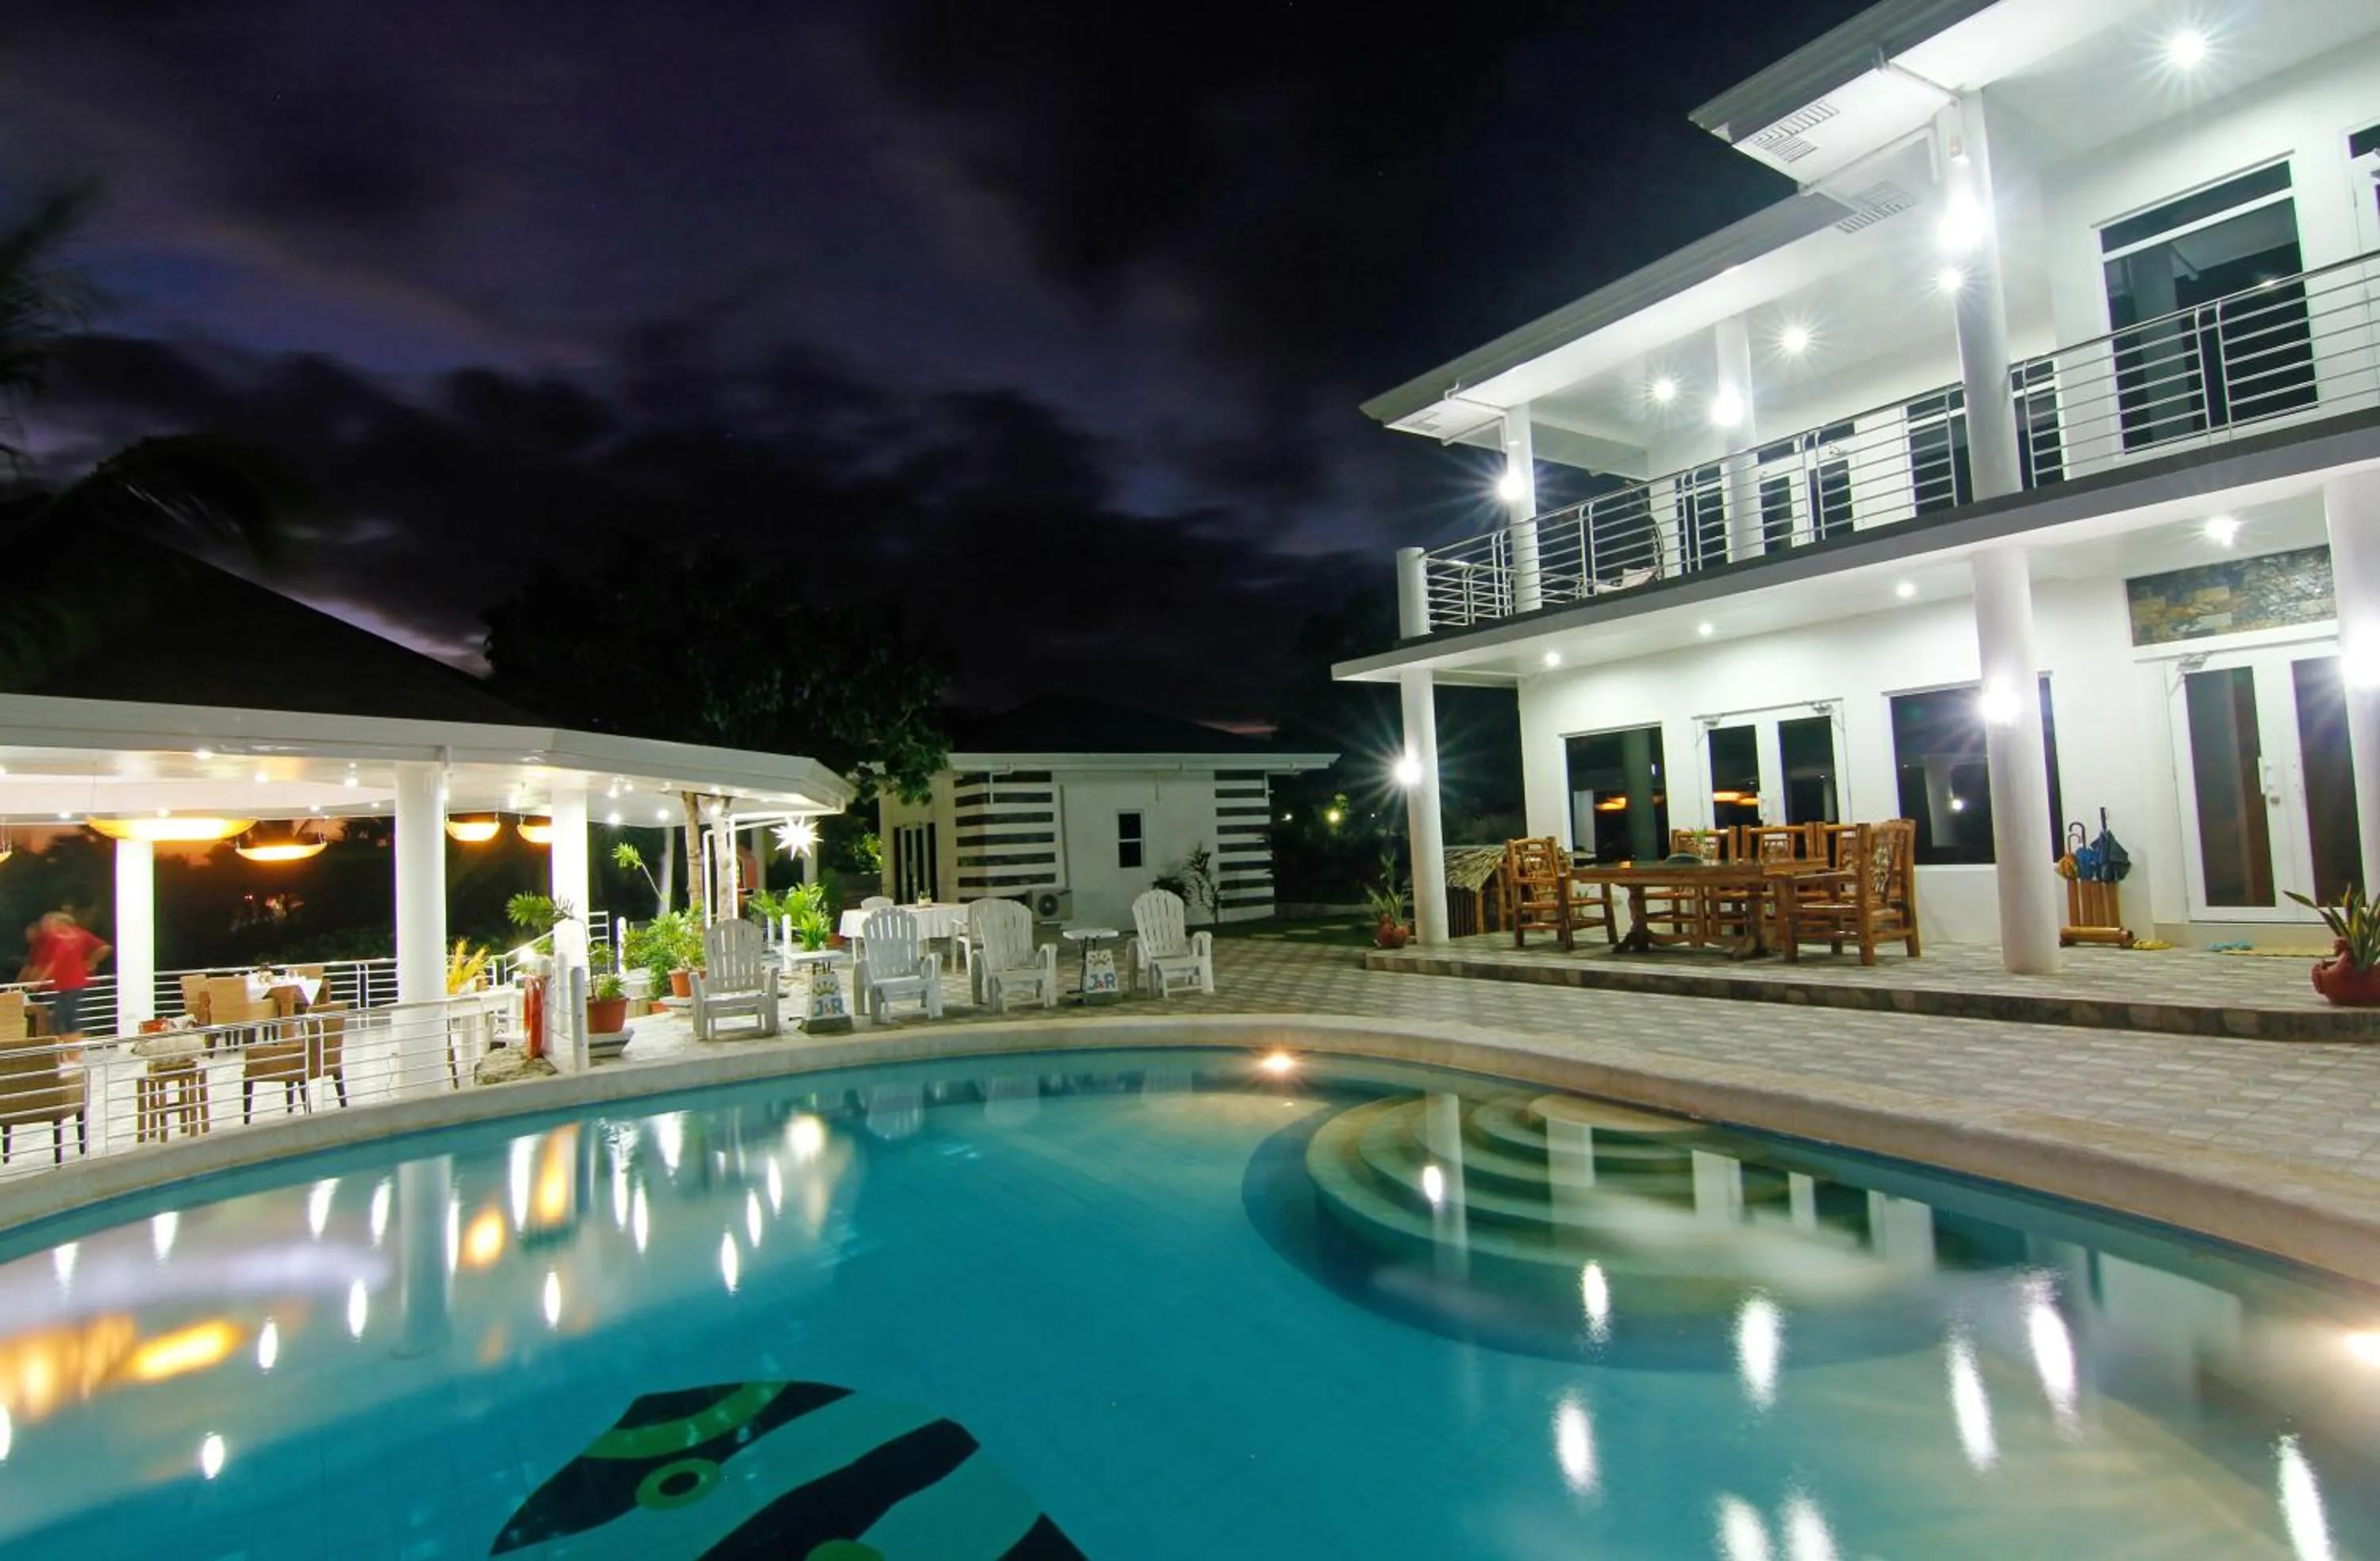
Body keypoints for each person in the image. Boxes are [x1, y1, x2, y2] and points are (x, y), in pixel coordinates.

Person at [26, 911, 109, 1062]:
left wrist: (90, 962)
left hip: (74, 984)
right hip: (63, 986)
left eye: (50, 924)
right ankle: (67, 1055)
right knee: (60, 1020)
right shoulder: (58, 939)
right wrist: (38, 981)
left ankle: (73, 1056)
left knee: (68, 1020)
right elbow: (52, 962)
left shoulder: (76, 936)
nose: (47, 928)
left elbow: (104, 948)